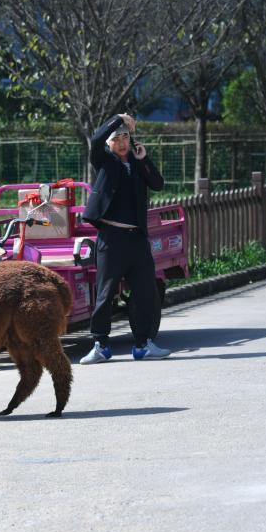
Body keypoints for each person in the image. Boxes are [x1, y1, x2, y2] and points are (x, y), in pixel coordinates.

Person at [79, 113, 170, 364]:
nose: (121, 142)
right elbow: (96, 139)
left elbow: (158, 183)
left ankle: (143, 344)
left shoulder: (137, 162)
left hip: (137, 238)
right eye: (116, 138)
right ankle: (100, 345)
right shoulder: (104, 161)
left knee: (144, 292)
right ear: (109, 144)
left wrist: (144, 159)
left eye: (125, 136)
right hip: (112, 237)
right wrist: (118, 118)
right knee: (105, 293)